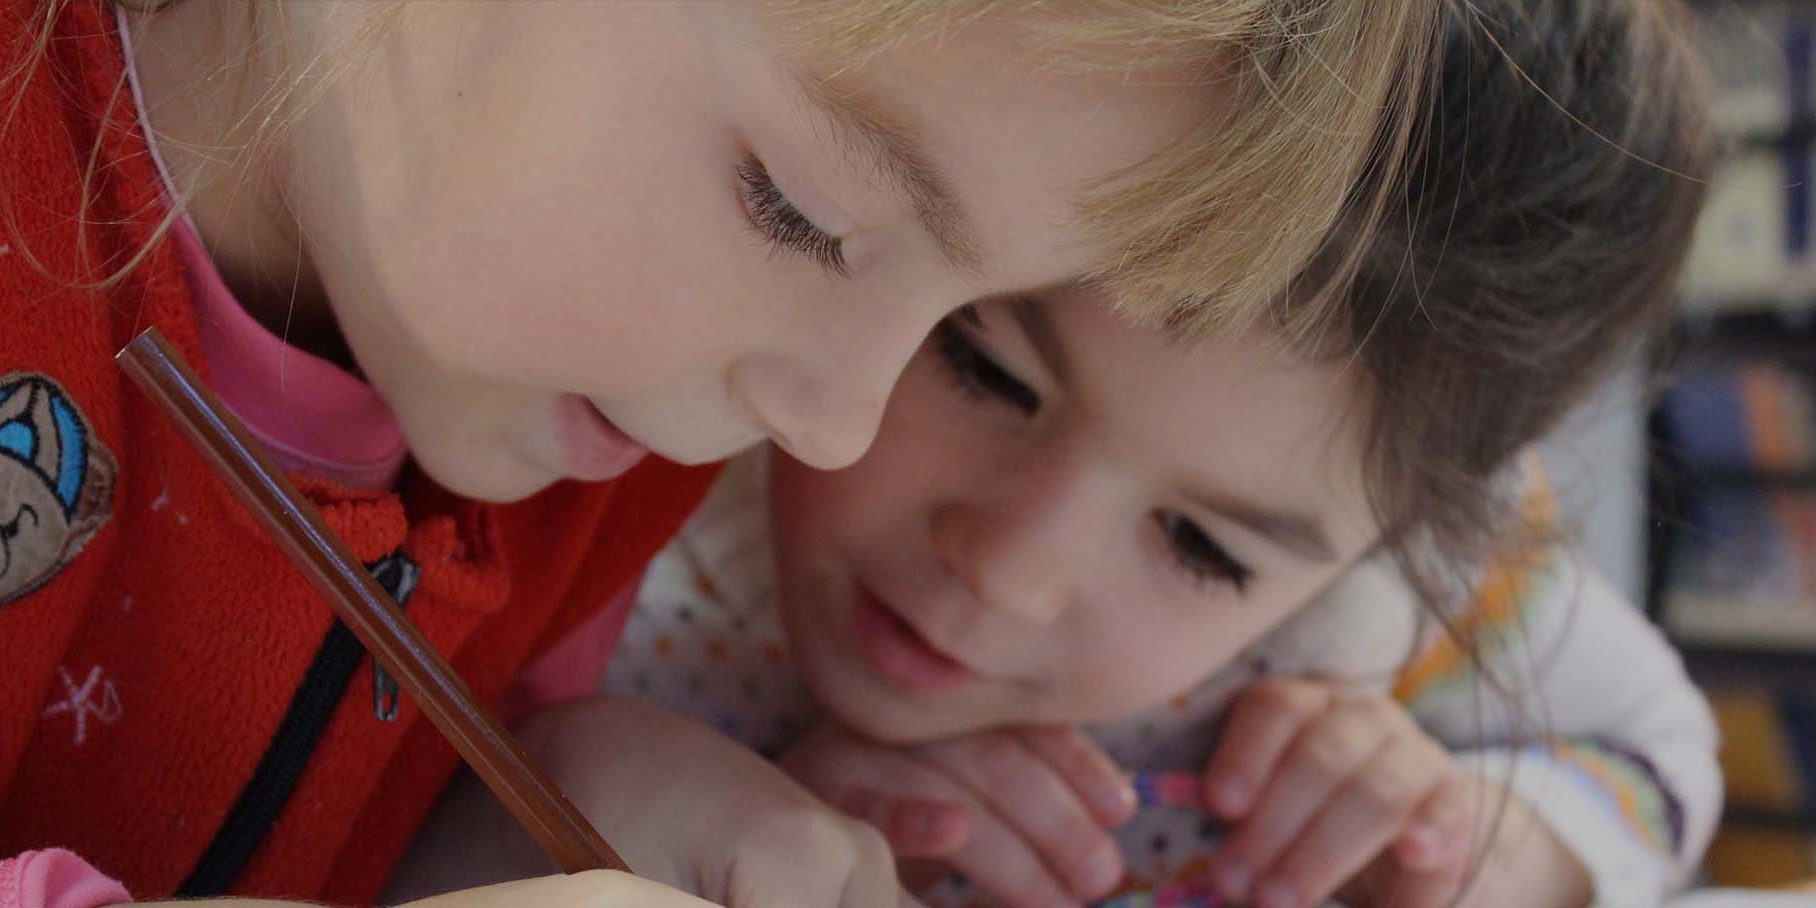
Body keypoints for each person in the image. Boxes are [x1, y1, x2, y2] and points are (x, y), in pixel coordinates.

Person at [0, 1, 1441, 906]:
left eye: (953, 314)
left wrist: (558, 820)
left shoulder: (589, 435)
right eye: (802, 213)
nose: (837, 423)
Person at [579, 1, 1720, 905]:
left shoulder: (1395, 603)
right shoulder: (629, 441)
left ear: (1397, 543)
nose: (1009, 571)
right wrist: (710, 820)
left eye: (1201, 546)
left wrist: (1491, 844)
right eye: (985, 371)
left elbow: (1660, 749)